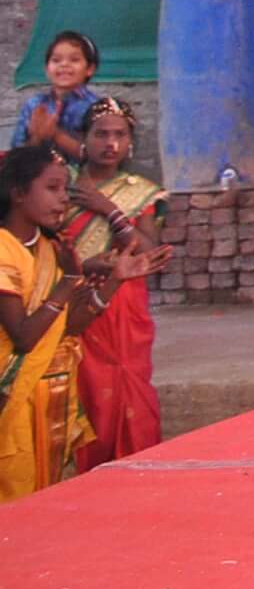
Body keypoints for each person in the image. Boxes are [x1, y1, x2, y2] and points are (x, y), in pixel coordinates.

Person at [2, 143, 165, 500]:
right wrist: (69, 281)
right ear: (18, 193)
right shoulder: (3, 249)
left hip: (49, 399)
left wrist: (114, 281)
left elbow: (69, 327)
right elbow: (25, 338)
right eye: (52, 188)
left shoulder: (49, 250)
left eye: (65, 188)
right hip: (13, 398)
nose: (63, 199)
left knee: (42, 499)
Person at [65, 97, 164, 470]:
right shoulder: (61, 185)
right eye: (101, 134)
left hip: (124, 303)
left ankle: (135, 468)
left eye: (120, 135)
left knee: (127, 384)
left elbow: (151, 254)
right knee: (87, 387)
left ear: (131, 142)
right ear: (83, 138)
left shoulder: (140, 192)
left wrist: (109, 210)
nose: (111, 143)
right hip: (75, 299)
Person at [12, 32, 100, 164]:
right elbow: (16, 155)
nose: (64, 64)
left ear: (90, 69)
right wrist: (36, 138)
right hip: (38, 175)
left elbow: (98, 156)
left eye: (74, 60)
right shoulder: (34, 105)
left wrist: (55, 134)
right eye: (56, 60)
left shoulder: (96, 107)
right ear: (46, 69)